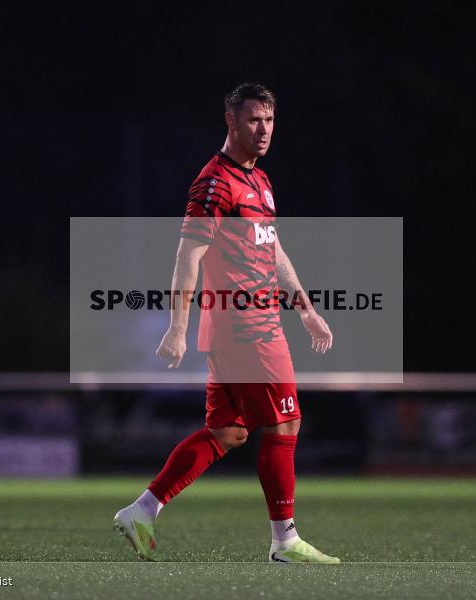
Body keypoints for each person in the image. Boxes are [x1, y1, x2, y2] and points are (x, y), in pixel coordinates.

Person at [114, 83, 339, 564]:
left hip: (251, 325)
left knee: (227, 434)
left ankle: (142, 510)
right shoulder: (215, 183)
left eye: (270, 120)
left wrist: (305, 308)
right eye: (254, 120)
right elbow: (188, 256)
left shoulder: (260, 180)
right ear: (231, 121)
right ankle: (285, 541)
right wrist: (177, 326)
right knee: (285, 423)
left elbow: (274, 251)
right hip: (246, 326)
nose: (264, 130)